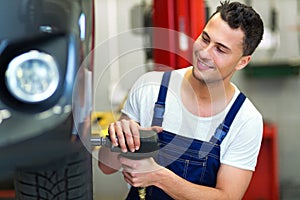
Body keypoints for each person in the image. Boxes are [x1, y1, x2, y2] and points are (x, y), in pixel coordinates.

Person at [98, 1, 264, 199]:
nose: (204, 53)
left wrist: (158, 177)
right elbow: (105, 166)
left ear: (242, 62)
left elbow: (227, 197)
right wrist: (116, 139)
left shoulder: (245, 119)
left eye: (220, 49)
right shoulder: (150, 87)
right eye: (205, 38)